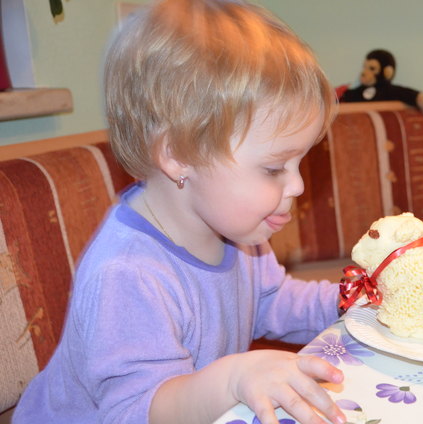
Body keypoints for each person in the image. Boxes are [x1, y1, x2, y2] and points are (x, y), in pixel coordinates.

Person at [12, 1, 347, 423]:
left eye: (300, 163)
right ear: (178, 155)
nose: (296, 186)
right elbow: (137, 412)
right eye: (274, 168)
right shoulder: (129, 272)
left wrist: (351, 299)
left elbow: (272, 302)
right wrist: (231, 380)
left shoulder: (238, 230)